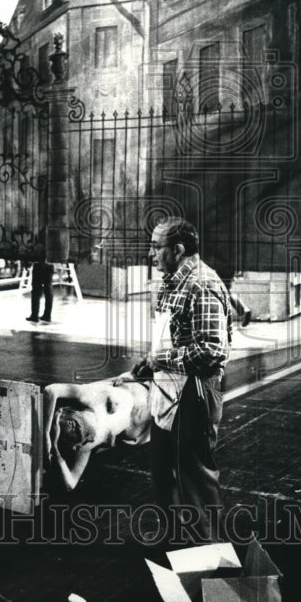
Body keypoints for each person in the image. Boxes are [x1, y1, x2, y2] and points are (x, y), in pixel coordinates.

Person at [132, 217, 234, 542]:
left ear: (177, 250)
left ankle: (216, 569)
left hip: (195, 393)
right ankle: (180, 549)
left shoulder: (202, 284)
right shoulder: (170, 282)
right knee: (163, 475)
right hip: (167, 392)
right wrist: (150, 363)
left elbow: (212, 349)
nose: (150, 253)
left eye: (156, 247)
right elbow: (174, 338)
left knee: (196, 485)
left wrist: (160, 359)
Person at [43, 377, 152, 491]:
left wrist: (47, 435)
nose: (73, 429)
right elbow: (70, 483)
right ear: (76, 445)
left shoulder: (89, 396)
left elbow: (51, 390)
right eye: (74, 434)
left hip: (148, 388)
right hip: (154, 423)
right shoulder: (86, 446)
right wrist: (55, 449)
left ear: (64, 411)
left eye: (72, 424)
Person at [25, 235, 54, 324]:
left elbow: (33, 253)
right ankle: (47, 315)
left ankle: (34, 315)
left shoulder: (38, 244)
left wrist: (27, 263)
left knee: (36, 291)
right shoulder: (52, 241)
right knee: (48, 289)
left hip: (39, 265)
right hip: (49, 264)